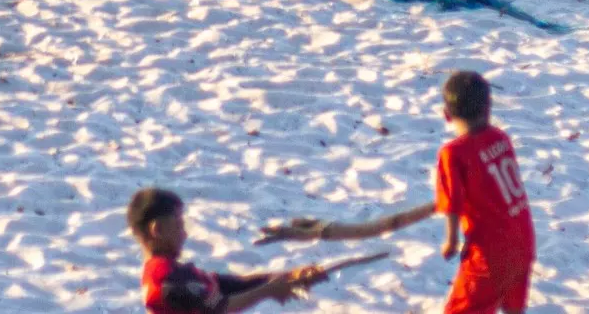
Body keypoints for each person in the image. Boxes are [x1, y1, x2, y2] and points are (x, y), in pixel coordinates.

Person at [255, 70, 535, 314]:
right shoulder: (501, 137)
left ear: (446, 115)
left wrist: (450, 241)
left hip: (489, 254)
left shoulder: (453, 153)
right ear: (489, 107)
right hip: (524, 241)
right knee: (512, 305)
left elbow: (451, 205)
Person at [129, 188, 326, 313]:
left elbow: (227, 285)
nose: (185, 234)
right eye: (179, 226)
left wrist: (287, 277)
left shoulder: (173, 272)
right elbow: (219, 306)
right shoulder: (165, 279)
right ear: (158, 230)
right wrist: (269, 290)